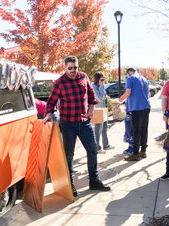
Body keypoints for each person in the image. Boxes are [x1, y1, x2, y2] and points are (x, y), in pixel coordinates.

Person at [42, 56, 110, 196]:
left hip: (84, 122)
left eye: (75, 67)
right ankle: (70, 184)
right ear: (65, 68)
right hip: (68, 124)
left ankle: (94, 180)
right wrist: (49, 115)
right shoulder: (59, 83)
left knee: (92, 149)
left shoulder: (84, 77)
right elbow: (51, 102)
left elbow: (91, 95)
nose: (73, 70)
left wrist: (91, 109)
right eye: (70, 68)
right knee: (69, 155)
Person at [118, 67, 151, 161]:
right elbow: (148, 94)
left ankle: (135, 153)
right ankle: (143, 151)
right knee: (144, 129)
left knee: (136, 131)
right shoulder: (145, 79)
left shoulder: (131, 78)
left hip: (137, 108)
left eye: (127, 74)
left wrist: (120, 100)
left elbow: (128, 92)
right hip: (146, 107)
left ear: (129, 72)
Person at [92, 72, 114, 154]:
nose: (103, 81)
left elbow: (103, 96)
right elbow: (99, 98)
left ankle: (106, 145)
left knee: (104, 128)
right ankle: (97, 148)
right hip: (97, 110)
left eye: (104, 79)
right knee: (98, 130)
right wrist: (104, 93)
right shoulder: (93, 87)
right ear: (97, 79)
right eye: (102, 79)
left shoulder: (101, 86)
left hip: (103, 109)